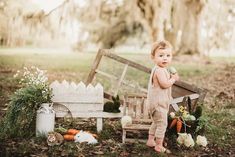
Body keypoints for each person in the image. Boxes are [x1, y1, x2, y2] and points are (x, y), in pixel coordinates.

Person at [146, 40, 179, 153]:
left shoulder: (159, 69)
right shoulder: (159, 71)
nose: (165, 58)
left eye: (168, 55)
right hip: (158, 104)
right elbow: (164, 84)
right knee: (162, 124)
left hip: (154, 103)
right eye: (161, 55)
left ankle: (150, 140)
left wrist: (170, 75)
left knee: (156, 122)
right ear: (153, 57)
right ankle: (159, 145)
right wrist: (173, 79)